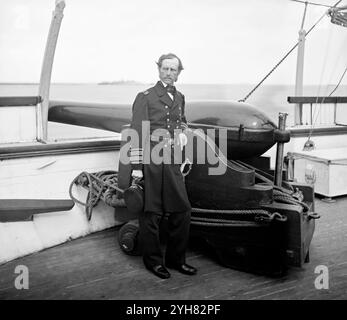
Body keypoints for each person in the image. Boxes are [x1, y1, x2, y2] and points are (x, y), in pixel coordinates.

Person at [129, 53, 197, 279]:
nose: (169, 73)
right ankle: (153, 262)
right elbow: (137, 134)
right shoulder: (145, 97)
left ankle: (176, 260)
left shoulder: (180, 97)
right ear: (159, 69)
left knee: (182, 211)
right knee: (152, 213)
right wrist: (137, 167)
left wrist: (184, 136)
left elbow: (181, 121)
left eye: (173, 70)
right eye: (165, 68)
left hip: (173, 159)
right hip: (152, 160)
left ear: (179, 73)